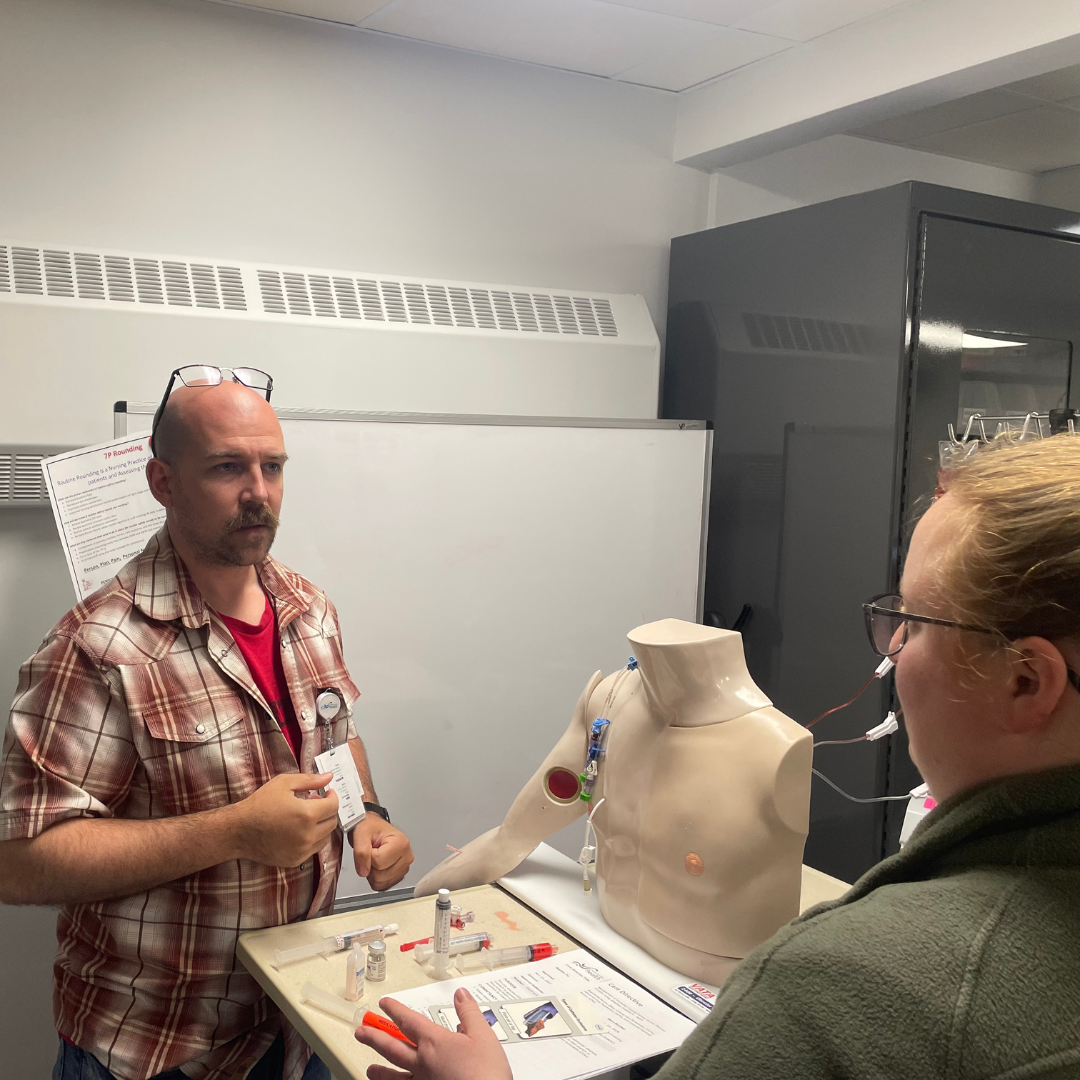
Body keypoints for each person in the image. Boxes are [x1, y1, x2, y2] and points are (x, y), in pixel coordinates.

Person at [354, 433, 1080, 1080]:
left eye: (912, 623)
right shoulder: (613, 699)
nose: (891, 650)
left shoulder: (843, 985)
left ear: (1026, 680)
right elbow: (539, 810)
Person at [0, 367, 414, 1080]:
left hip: (295, 1020)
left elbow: (333, 736)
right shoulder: (98, 646)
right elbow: (20, 864)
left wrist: (365, 815)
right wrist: (232, 831)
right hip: (159, 1048)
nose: (259, 492)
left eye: (272, 466)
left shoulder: (308, 608)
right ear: (163, 482)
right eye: (227, 468)